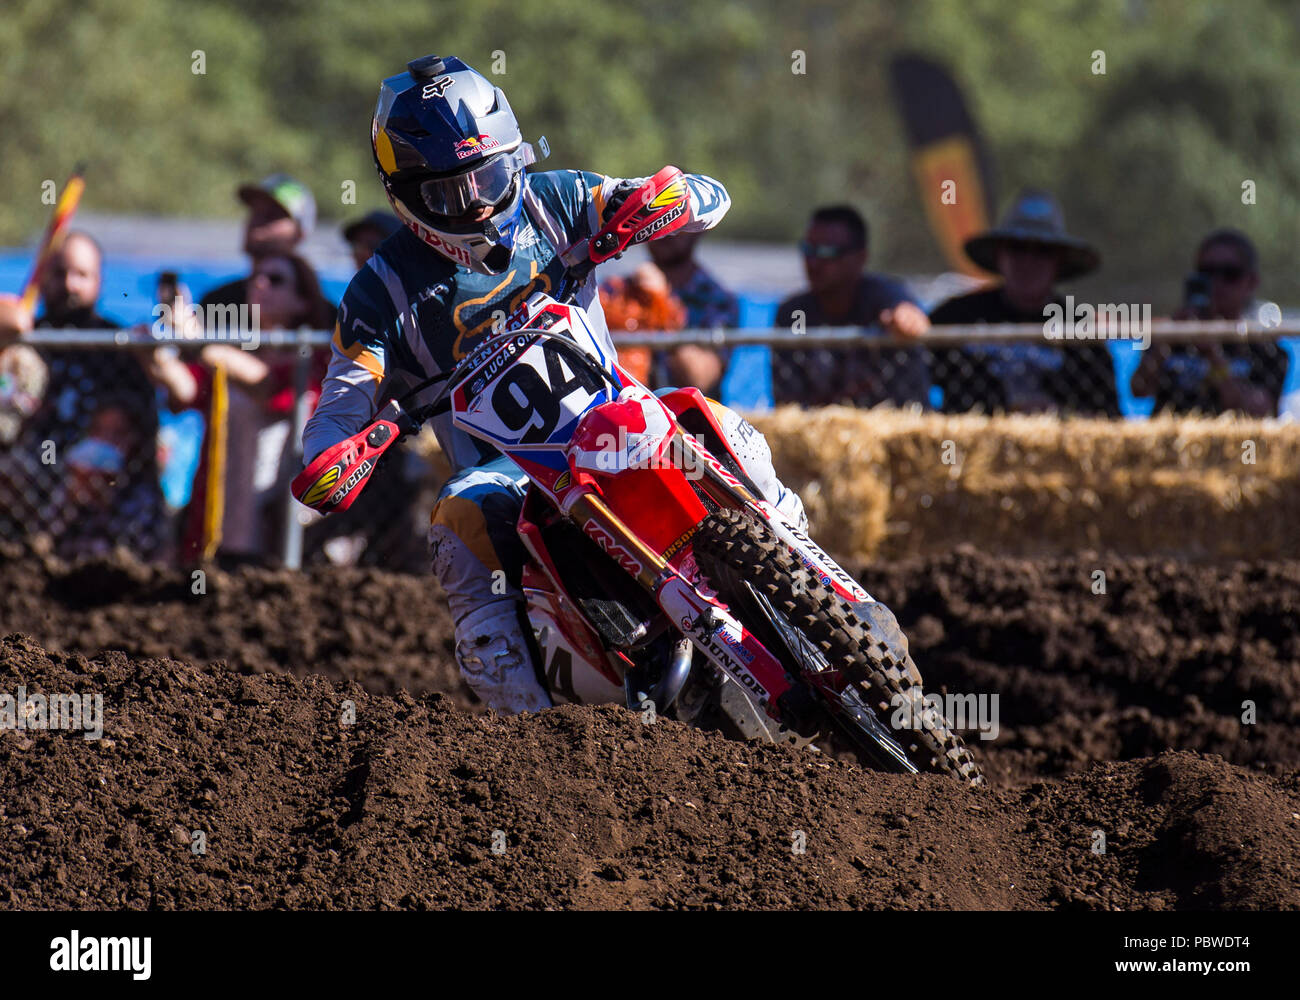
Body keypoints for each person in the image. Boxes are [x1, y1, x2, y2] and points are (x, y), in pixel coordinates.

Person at [299, 54, 809, 713]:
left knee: (711, 421)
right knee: (458, 525)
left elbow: (701, 196)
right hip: (505, 472)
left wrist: (668, 202)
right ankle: (531, 734)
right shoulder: (380, 290)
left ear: (515, 157)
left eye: (491, 175)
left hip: (620, 417)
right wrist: (330, 452)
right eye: (453, 193)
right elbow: (341, 399)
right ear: (406, 192)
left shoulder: (557, 200)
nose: (479, 202)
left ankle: (807, 570)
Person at [929, 189, 1119, 416]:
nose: (1028, 261)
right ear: (1000, 255)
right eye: (1017, 248)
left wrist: (1060, 416)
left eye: (1042, 251)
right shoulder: (956, 316)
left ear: (1058, 262)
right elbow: (910, 382)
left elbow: (1109, 419)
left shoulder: (1081, 329)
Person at [773, 205, 931, 408]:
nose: (814, 262)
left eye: (827, 252)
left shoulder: (882, 295)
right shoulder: (793, 314)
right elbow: (789, 408)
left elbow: (907, 312)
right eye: (808, 249)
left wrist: (905, 317)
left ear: (860, 257)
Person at [1130, 229, 1286, 417]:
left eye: (1230, 274)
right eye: (1207, 272)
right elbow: (1139, 390)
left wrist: (1212, 355)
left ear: (1251, 282)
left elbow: (1259, 411)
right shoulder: (1172, 335)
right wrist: (1168, 341)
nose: (1216, 282)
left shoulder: (1264, 347)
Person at [201, 173, 334, 318]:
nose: (258, 220)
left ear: (300, 233)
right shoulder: (216, 305)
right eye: (255, 211)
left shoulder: (327, 320)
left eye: (273, 214)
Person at [647, 229, 738, 395]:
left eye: (676, 226)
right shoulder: (615, 293)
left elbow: (699, 378)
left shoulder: (717, 299)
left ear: (700, 230)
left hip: (688, 418)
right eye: (656, 224)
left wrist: (662, 303)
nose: (665, 232)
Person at [599, 263, 687, 385]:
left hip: (638, 385)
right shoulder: (612, 293)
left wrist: (659, 292)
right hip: (607, 375)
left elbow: (673, 321)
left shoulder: (654, 312)